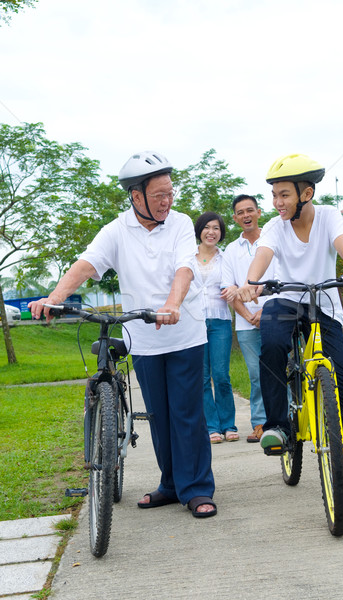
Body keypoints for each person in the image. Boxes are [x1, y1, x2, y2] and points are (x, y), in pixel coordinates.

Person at [29, 151, 217, 518]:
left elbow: (185, 268)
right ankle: (171, 485)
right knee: (160, 416)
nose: (167, 200)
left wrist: (172, 304)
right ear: (136, 195)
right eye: (159, 194)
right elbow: (87, 263)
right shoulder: (116, 230)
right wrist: (55, 296)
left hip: (184, 333)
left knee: (186, 414)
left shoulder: (179, 223)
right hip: (144, 338)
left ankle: (197, 488)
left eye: (170, 192)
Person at [237, 153, 343, 502]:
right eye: (274, 195)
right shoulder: (275, 225)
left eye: (284, 195)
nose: (277, 203)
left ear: (306, 193)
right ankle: (278, 426)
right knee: (273, 345)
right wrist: (251, 282)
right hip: (284, 298)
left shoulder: (329, 216)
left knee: (341, 388)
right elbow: (263, 254)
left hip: (324, 302)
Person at [221, 194, 274, 443]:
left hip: (276, 317)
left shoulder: (273, 240)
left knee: (281, 370)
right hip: (246, 324)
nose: (246, 216)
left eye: (250, 210)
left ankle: (284, 421)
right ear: (235, 218)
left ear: (258, 212)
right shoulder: (231, 250)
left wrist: (266, 312)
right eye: (240, 212)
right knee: (256, 373)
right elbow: (228, 290)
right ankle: (260, 423)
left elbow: (284, 278)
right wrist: (250, 316)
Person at [194, 211, 238, 444]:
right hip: (194, 323)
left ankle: (228, 425)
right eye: (207, 227)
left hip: (220, 321)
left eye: (216, 228)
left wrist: (233, 289)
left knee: (221, 375)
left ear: (221, 233)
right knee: (201, 377)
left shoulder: (226, 258)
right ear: (199, 230)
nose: (211, 232)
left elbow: (235, 282)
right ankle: (211, 427)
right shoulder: (186, 256)